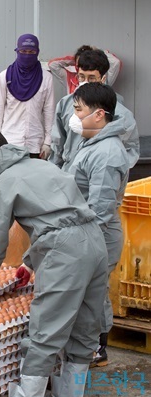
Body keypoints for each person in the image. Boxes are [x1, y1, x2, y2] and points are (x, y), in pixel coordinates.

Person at [0, 126, 108, 397]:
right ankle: (70, 395)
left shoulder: (4, 183)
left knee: (45, 334)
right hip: (94, 242)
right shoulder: (44, 166)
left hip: (66, 254)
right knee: (84, 328)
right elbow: (61, 215)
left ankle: (28, 396)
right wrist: (30, 262)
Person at [65, 83, 130, 368]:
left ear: (99, 115)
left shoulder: (107, 153)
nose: (74, 116)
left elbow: (99, 211)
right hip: (85, 230)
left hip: (97, 234)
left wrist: (78, 244)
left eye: (79, 110)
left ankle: (95, 348)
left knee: (93, 293)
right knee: (92, 290)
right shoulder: (92, 142)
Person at [50, 49, 139, 171]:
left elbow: (130, 150)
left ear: (103, 79)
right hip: (69, 176)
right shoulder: (65, 105)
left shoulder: (120, 113)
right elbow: (57, 145)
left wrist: (111, 172)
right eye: (81, 76)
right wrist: (57, 174)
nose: (85, 82)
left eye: (91, 78)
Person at [0, 34, 55, 160]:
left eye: (31, 51)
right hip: (9, 142)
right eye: (23, 51)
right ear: (17, 51)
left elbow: (49, 112)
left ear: (37, 52)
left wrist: (48, 142)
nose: (27, 55)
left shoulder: (46, 78)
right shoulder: (5, 77)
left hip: (36, 145)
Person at [48, 45, 122, 95]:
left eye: (92, 78)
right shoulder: (70, 78)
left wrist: (98, 53)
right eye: (80, 62)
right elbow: (52, 64)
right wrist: (75, 60)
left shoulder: (102, 79)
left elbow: (116, 62)